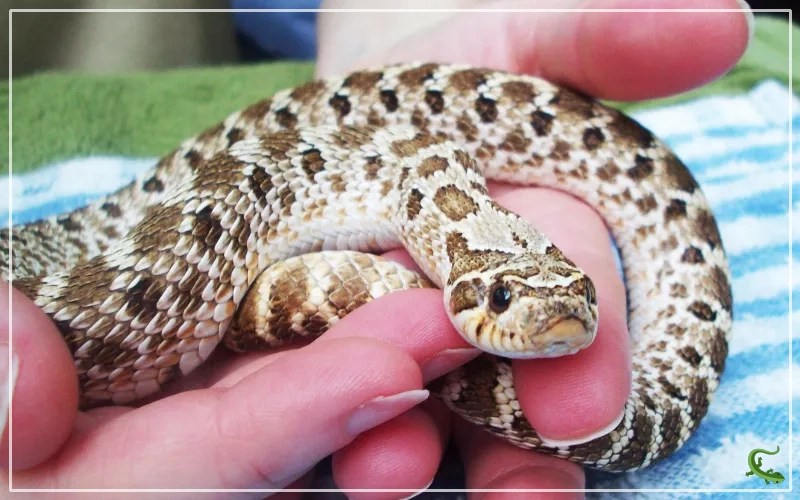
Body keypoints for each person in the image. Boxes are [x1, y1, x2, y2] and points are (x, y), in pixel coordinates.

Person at [1, 1, 752, 497]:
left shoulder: (435, 175)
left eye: (575, 297)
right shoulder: (403, 179)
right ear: (467, 279)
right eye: (501, 300)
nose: (553, 323)